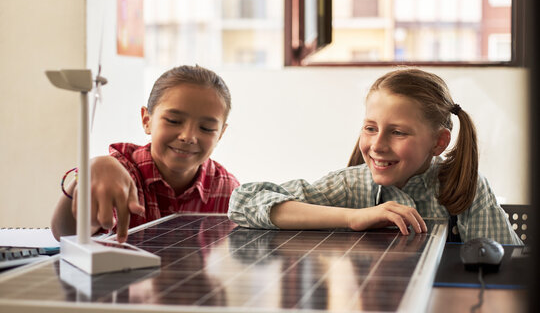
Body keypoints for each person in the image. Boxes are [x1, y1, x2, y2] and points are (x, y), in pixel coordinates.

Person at [228, 68, 522, 245]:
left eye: (398, 132)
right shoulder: (350, 186)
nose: (377, 145)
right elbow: (243, 202)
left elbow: (505, 267)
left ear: (438, 142)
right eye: (370, 128)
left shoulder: (466, 189)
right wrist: (355, 218)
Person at [51, 65, 239, 243]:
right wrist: (89, 171)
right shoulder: (119, 175)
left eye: (206, 128)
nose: (188, 137)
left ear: (221, 133)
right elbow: (68, 233)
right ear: (146, 120)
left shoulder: (228, 190)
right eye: (174, 121)